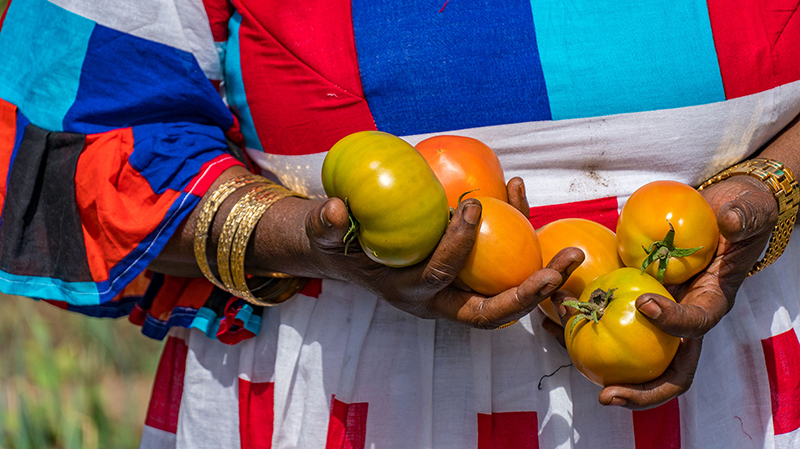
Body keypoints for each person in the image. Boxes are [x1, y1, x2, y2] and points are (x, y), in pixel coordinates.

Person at [1, 0, 799, 447]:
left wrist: (776, 187)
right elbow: (63, 138)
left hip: (750, 383)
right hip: (335, 403)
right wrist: (303, 238)